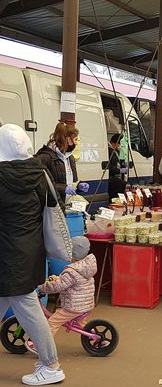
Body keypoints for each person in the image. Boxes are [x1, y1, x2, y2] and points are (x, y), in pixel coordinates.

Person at [0, 124, 65, 385]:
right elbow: (53, 207)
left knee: (30, 310)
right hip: (31, 252)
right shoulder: (41, 174)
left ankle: (51, 366)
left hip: (7, 255)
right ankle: (50, 365)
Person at [26, 237, 97, 355]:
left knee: (52, 322)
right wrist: (58, 279)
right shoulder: (86, 267)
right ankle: (96, 338)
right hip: (85, 304)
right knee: (81, 325)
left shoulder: (71, 271)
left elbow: (58, 286)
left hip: (73, 306)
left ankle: (40, 347)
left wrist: (43, 287)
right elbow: (70, 282)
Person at [35, 122, 89, 202]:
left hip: (67, 203)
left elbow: (72, 182)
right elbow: (40, 184)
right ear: (67, 139)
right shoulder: (46, 157)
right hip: (52, 205)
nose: (76, 143)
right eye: (75, 139)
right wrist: (63, 188)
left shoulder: (70, 158)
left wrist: (78, 185)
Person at [108, 134, 128, 203]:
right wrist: (120, 170)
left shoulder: (115, 151)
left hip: (115, 177)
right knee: (123, 185)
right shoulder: (110, 151)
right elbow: (110, 168)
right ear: (115, 143)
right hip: (111, 178)